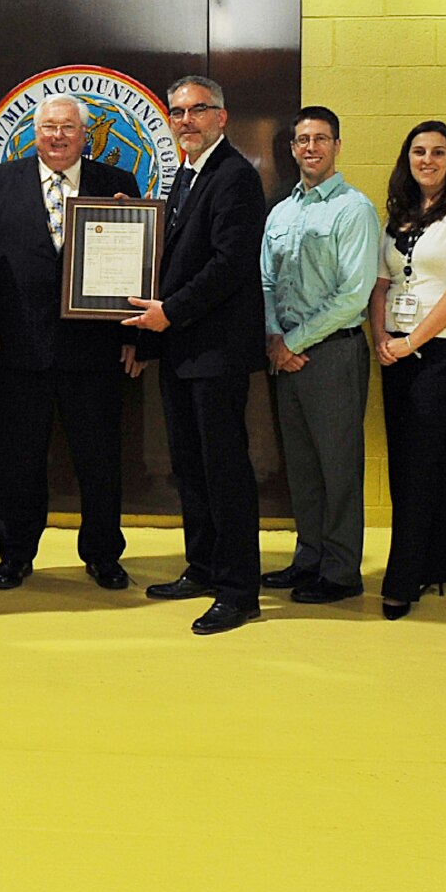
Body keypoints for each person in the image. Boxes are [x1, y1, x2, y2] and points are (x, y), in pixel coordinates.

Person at [0, 94, 142, 592]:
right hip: (17, 351)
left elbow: (137, 269)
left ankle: (103, 555)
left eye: (68, 128)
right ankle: (16, 555)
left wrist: (136, 338)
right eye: (48, 127)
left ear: (84, 134)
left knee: (100, 460)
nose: (57, 136)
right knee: (19, 461)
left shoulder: (118, 185)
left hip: (95, 353)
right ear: (33, 131)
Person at [122, 76, 267, 636]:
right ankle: (204, 567)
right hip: (182, 351)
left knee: (225, 472)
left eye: (198, 110)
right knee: (192, 467)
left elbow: (229, 266)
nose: (186, 120)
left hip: (216, 352)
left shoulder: (235, 177)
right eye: (178, 111)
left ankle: (238, 592)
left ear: (221, 118)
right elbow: (171, 254)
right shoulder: (182, 174)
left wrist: (171, 314)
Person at [370, 121, 446, 619]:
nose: (428, 160)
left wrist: (411, 343)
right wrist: (381, 336)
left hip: (441, 350)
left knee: (420, 460)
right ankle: (432, 559)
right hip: (394, 349)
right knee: (407, 461)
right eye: (418, 151)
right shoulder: (399, 214)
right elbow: (381, 283)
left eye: (439, 152)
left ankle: (403, 578)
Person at [258, 106, 378, 604]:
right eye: (303, 140)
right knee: (303, 469)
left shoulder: (354, 209)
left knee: (338, 468)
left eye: (321, 139)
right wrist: (273, 338)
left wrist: (293, 342)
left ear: (337, 145)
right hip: (285, 355)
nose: (311, 147)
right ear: (292, 148)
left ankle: (341, 571)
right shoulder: (281, 212)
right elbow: (265, 279)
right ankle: (308, 559)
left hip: (332, 355)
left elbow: (354, 295)